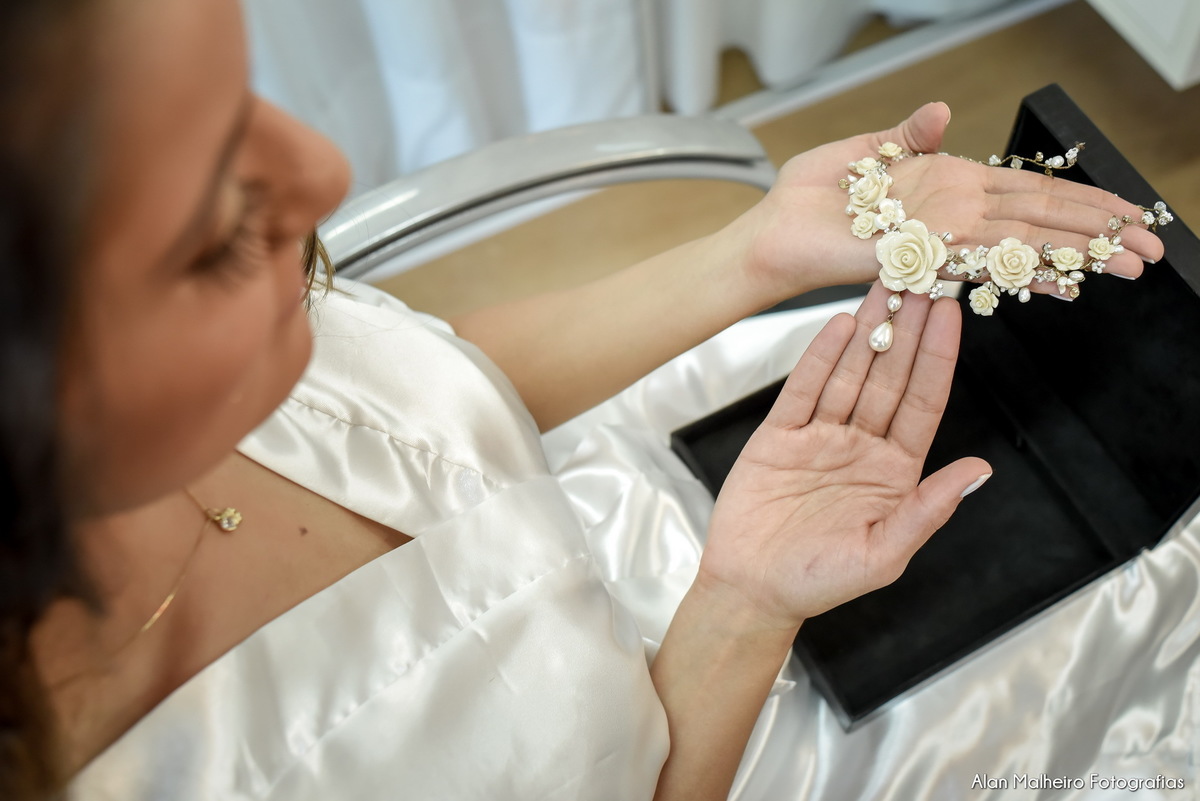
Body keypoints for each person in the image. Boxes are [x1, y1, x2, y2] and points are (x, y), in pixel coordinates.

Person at [0, 0, 1166, 799]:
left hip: (648, 541)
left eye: (240, 97)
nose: (327, 176)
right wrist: (746, 612)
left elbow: (406, 386)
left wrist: (750, 253)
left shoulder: (192, 376)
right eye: (208, 229)